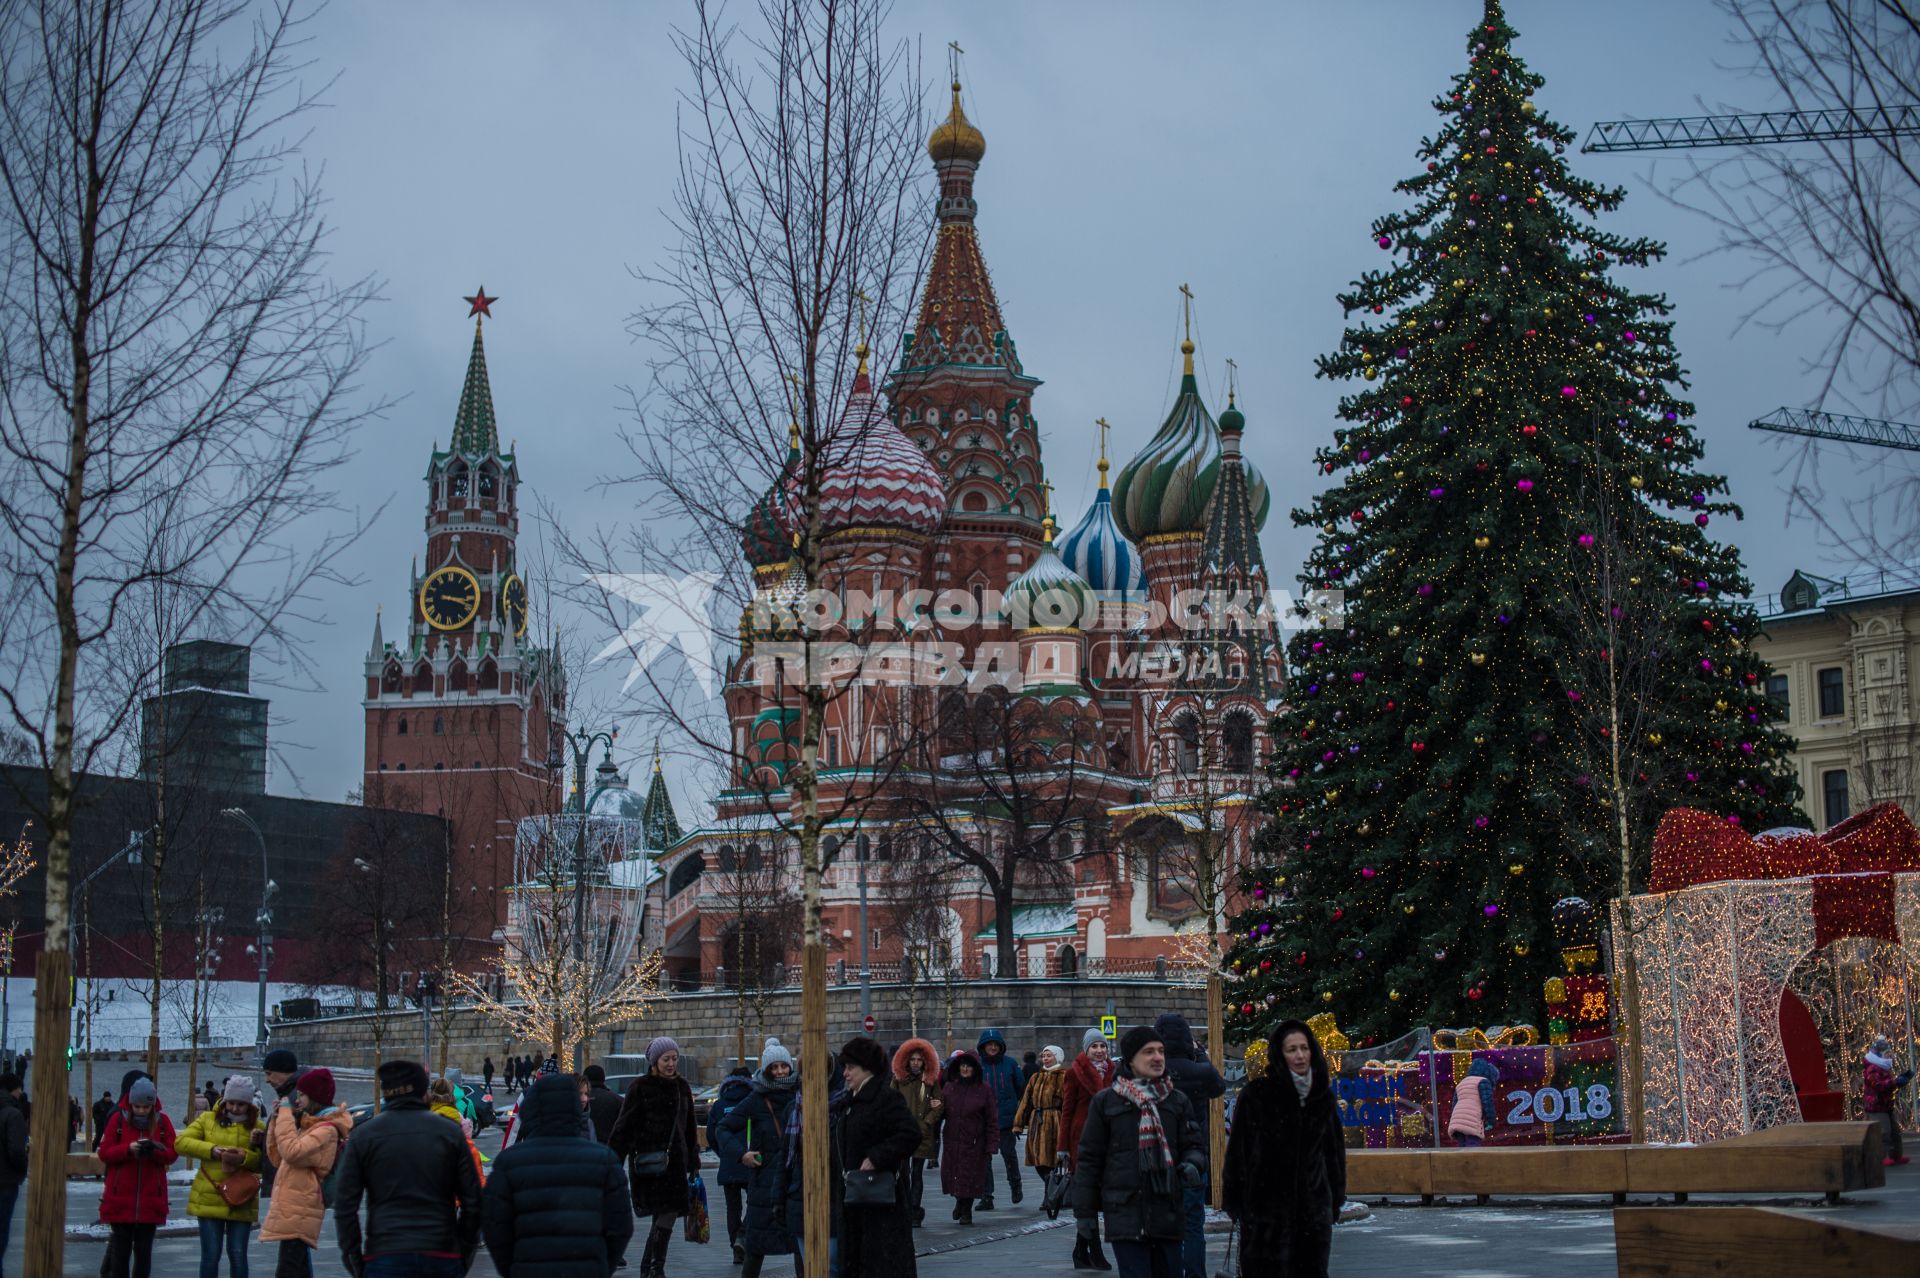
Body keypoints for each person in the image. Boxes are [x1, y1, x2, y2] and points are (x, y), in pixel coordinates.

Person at [1069, 1024, 1205, 1278]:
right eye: (1149, 1052)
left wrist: (1192, 1164)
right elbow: (1089, 1161)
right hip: (1125, 1213)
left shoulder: (1176, 1100)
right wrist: (1084, 1214)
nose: (1157, 1057)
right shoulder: (1106, 1102)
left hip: (1168, 1212)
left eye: (1161, 1051)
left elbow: (1194, 1145)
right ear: (1131, 1059)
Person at [335, 1059, 484, 1278]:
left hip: (385, 1249)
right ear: (425, 1094)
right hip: (441, 1250)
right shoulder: (450, 1133)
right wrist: (463, 1252)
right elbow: (473, 1201)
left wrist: (355, 1260)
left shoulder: (364, 1136)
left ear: (387, 1093)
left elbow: (345, 1207)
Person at [1223, 1021, 1346, 1278]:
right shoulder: (1257, 1095)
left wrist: (1333, 1201)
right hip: (1265, 1216)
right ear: (1279, 1053)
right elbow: (1238, 1153)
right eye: (1292, 1049)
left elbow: (1334, 1155)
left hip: (1312, 1216)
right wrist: (1237, 1202)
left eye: (1304, 1048)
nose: (1299, 1055)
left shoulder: (1321, 1097)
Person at [481, 1072, 632, 1277]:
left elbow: (495, 1226)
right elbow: (620, 1225)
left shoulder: (509, 1163)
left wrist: (512, 1267)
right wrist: (601, 1265)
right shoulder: (603, 1160)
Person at [607, 1036, 696, 1278]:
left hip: (675, 1164)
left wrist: (693, 1162)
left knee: (665, 1215)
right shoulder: (640, 1087)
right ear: (654, 1061)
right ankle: (655, 1269)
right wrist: (613, 1159)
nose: (671, 1064)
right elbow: (623, 1126)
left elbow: (689, 1127)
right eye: (666, 1059)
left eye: (675, 1059)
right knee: (663, 1215)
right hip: (649, 1163)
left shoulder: (682, 1087)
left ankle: (651, 1269)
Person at [834, 1036, 922, 1278]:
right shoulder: (849, 1102)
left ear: (867, 1068)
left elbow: (911, 1134)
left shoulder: (885, 1099)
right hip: (856, 1203)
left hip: (882, 1207)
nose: (845, 1074)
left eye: (850, 1068)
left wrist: (876, 1157)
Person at [716, 1042, 800, 1278]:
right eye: (775, 1067)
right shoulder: (757, 1098)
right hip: (765, 1183)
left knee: (801, 1247)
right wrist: (742, 1154)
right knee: (756, 1247)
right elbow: (723, 1128)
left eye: (785, 1066)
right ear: (766, 1070)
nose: (781, 1071)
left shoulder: (800, 1093)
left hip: (795, 1181)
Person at [262, 1067, 350, 1278]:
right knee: (295, 1267)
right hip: (293, 1204)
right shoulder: (310, 1124)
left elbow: (292, 1152)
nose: (297, 1099)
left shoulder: (326, 1129)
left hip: (302, 1205)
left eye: (302, 1094)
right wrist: (276, 1119)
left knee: (289, 1269)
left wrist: (284, 1114)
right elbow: (277, 1156)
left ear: (315, 1097)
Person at [1154, 1014, 1224, 1278]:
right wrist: (1200, 1054)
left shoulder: (1153, 1071)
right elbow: (1218, 1087)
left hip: (1159, 1157)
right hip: (1195, 1155)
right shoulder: (1199, 1070)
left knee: (1164, 1225)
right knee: (1193, 1224)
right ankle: (1196, 1274)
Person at [178, 1075, 265, 1278]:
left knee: (238, 1255)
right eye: (231, 1103)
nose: (235, 1109)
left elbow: (264, 1164)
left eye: (241, 1104)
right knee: (210, 1255)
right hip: (210, 1195)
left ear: (249, 1104)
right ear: (224, 1101)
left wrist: (247, 1155)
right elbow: (181, 1142)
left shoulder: (258, 1127)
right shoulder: (208, 1119)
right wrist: (212, 1150)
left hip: (241, 1198)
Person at [99, 1076, 178, 1278]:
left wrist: (153, 1150)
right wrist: (127, 1149)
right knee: (120, 1256)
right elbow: (105, 1153)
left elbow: (172, 1154)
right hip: (120, 1198)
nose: (141, 1111)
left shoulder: (163, 1122)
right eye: (137, 1106)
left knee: (144, 1255)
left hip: (150, 1198)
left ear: (153, 1105)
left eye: (146, 1107)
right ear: (130, 1103)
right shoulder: (118, 1120)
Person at [1060, 1029, 1115, 1271]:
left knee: (1098, 1197)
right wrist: (1063, 1148)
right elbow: (1067, 1112)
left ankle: (1081, 1251)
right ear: (1086, 1049)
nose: (1100, 1051)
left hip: (1109, 1142)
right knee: (1088, 1198)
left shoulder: (1114, 1072)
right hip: (1081, 1142)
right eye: (1094, 1047)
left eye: (1102, 1046)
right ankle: (1096, 1251)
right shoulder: (1074, 1074)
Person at [937, 1049, 996, 1226]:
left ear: (975, 1069)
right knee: (954, 1175)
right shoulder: (949, 1087)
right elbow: (941, 1111)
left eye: (968, 1066)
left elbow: (991, 1119)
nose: (965, 1069)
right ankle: (959, 1202)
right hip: (953, 1139)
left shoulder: (984, 1089)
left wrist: (992, 1144)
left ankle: (966, 1211)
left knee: (970, 1177)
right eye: (962, 1065)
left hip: (974, 1141)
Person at [889, 1038, 943, 1227]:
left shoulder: (930, 1081)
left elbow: (939, 1104)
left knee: (917, 1173)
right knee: (903, 1172)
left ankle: (914, 1210)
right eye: (912, 1059)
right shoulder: (898, 1080)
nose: (915, 1063)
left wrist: (927, 1122)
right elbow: (890, 1102)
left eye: (919, 1060)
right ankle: (903, 1208)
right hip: (903, 1132)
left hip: (921, 1132)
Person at [708, 1059, 757, 1263]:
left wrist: (725, 1153)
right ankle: (742, 1236)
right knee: (755, 1203)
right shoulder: (753, 1101)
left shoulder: (719, 1105)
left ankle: (736, 1249)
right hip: (751, 1160)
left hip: (729, 1163)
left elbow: (712, 1134)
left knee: (732, 1208)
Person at [974, 1029, 1025, 1208]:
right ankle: (987, 1196)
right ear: (983, 1047)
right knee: (984, 1158)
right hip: (983, 1120)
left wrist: (1015, 1109)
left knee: (1009, 1154)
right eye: (989, 1045)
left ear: (1000, 1046)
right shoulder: (978, 1066)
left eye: (995, 1045)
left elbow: (1021, 1088)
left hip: (1005, 1119)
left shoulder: (1010, 1064)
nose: (993, 1047)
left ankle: (1015, 1185)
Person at [1013, 1045, 1068, 1190]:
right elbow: (1026, 1101)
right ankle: (1050, 1187)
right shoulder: (1035, 1077)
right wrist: (1018, 1124)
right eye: (1043, 1056)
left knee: (1054, 1160)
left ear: (1057, 1057)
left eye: (1049, 1055)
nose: (1045, 1058)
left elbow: (1068, 1102)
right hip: (1037, 1122)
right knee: (1038, 1161)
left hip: (1055, 1121)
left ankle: (1051, 1193)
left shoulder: (1064, 1076)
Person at [1864, 1034, 1913, 1167]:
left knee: (1895, 1132)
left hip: (1886, 1105)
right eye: (1887, 1053)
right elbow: (1879, 1085)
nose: (1889, 1056)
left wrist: (1900, 1081)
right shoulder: (1872, 1069)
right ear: (1879, 1055)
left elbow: (1888, 1084)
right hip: (1876, 1106)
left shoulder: (1884, 1068)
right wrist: (1896, 1081)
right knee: (1883, 1132)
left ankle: (1896, 1155)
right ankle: (1882, 1156)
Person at [260, 1049, 301, 1202]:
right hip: (283, 1185)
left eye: (269, 1073)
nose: (266, 1080)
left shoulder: (296, 1099)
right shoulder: (290, 1095)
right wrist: (261, 1140)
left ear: (284, 1072)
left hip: (288, 1188)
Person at [0, 1074, 26, 1276]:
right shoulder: (13, 1114)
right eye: (19, 1088)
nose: (21, 1093)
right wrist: (22, 1169)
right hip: (5, 1181)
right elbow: (17, 1151)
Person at [1446, 1056, 1500, 1148]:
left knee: (1462, 1148)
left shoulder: (1461, 1082)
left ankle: (1462, 1162)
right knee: (1473, 1147)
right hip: (1472, 1120)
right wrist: (1491, 1121)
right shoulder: (1483, 1081)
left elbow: (1454, 1104)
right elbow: (1487, 1102)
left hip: (1457, 1120)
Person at [583, 1065, 624, 1145]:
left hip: (584, 1147)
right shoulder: (617, 1100)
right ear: (603, 1078)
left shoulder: (577, 1100)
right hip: (609, 1147)